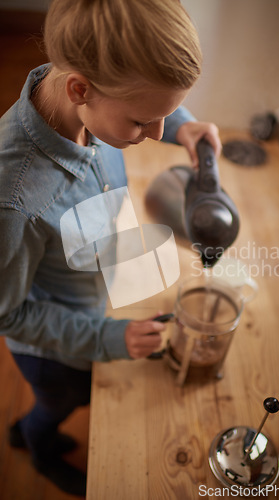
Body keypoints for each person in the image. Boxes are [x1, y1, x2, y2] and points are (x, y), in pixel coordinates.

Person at [0, 0, 221, 496]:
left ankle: (32, 425)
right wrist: (108, 339)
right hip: (57, 350)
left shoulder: (86, 96)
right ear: (81, 89)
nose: (157, 133)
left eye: (165, 114)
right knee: (62, 402)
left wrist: (181, 121)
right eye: (144, 121)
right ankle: (36, 444)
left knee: (63, 399)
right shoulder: (14, 200)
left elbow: (141, 99)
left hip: (93, 292)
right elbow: (8, 314)